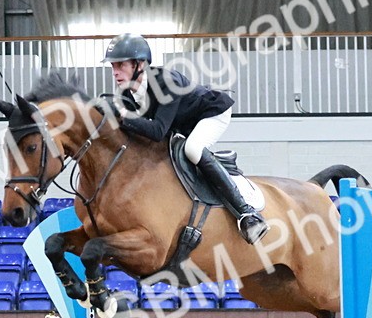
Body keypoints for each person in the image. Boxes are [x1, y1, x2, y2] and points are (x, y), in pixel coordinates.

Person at [102, 33, 269, 244]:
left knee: (193, 149)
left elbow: (157, 131)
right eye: (112, 67)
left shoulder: (166, 82)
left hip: (212, 112)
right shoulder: (127, 93)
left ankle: (248, 215)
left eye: (121, 66)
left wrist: (120, 116)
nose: (115, 72)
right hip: (184, 123)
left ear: (140, 64)